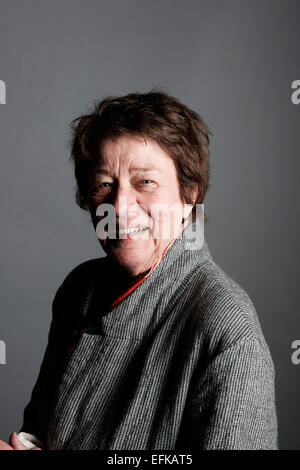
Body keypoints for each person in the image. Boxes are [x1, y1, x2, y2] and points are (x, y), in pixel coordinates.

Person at [1, 91, 278, 450]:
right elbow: (41, 427)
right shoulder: (78, 289)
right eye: (104, 184)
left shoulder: (227, 331)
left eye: (144, 181)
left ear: (189, 194)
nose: (120, 207)